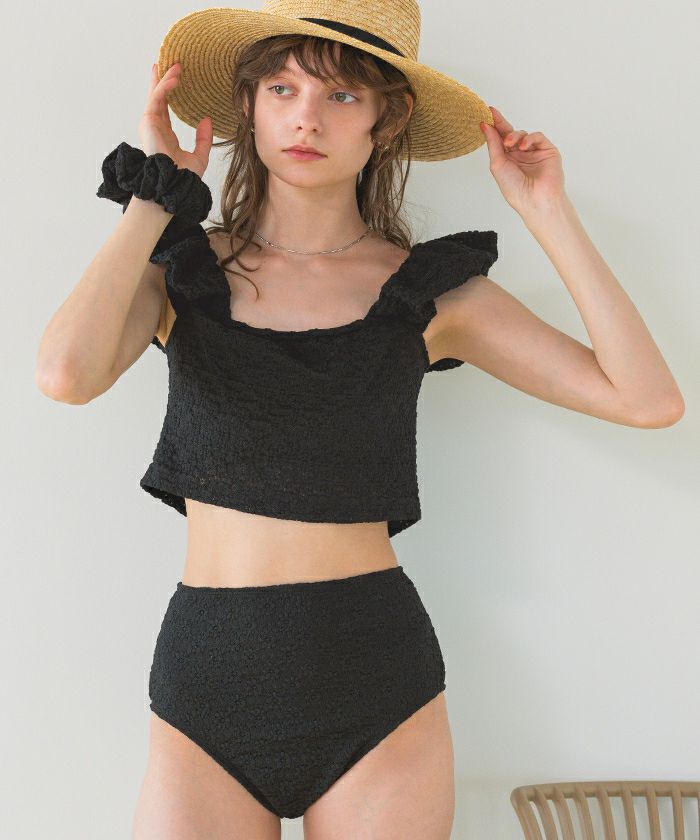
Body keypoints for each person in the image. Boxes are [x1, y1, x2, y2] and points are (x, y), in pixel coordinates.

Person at [35, 1, 684, 838]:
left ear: (389, 117)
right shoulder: (182, 271)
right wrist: (156, 200)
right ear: (248, 106)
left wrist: (548, 211)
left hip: (374, 679)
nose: (306, 117)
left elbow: (647, 399)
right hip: (207, 675)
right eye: (282, 88)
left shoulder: (432, 292)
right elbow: (65, 375)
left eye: (341, 95)